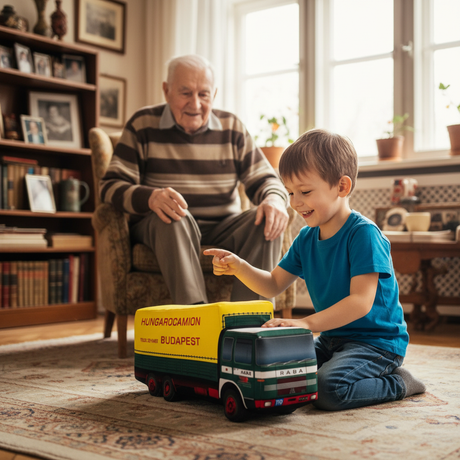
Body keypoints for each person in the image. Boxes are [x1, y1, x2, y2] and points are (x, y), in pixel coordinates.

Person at [204, 128, 426, 411]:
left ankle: (399, 383)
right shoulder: (306, 239)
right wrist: (240, 267)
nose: (295, 203)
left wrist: (306, 323)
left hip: (376, 344)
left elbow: (360, 302)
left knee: (327, 389)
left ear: (342, 187)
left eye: (305, 192)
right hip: (332, 339)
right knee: (275, 369)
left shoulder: (364, 235)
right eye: (290, 193)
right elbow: (273, 284)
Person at [99, 54, 289, 305]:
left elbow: (266, 179)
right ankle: (196, 324)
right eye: (185, 93)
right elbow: (110, 186)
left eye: (204, 94)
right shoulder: (142, 124)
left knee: (267, 217)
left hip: (222, 228)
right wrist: (151, 197)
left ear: (214, 94)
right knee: (174, 215)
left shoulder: (232, 128)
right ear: (166, 91)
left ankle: (247, 326)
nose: (196, 104)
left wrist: (274, 200)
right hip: (164, 228)